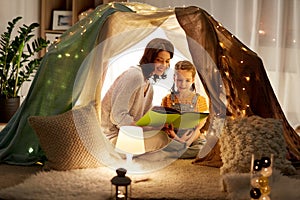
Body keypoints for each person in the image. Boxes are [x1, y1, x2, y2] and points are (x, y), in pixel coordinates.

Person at [101, 38, 175, 152]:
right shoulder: (135, 76)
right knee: (162, 139)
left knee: (164, 136)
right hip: (112, 138)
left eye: (167, 61)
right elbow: (117, 116)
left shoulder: (148, 83)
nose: (164, 65)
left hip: (128, 134)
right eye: (159, 60)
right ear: (149, 59)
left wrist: (160, 126)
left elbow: (142, 120)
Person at [161, 60, 208, 158]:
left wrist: (187, 143)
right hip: (173, 137)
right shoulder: (167, 99)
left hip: (192, 137)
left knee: (202, 148)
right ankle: (181, 152)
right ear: (174, 78)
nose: (183, 84)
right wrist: (179, 140)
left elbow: (198, 129)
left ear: (193, 80)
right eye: (179, 80)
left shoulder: (200, 100)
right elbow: (167, 128)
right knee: (159, 142)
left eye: (187, 80)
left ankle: (173, 154)